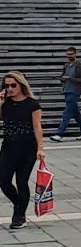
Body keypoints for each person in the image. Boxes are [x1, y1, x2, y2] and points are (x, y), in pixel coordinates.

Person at [2, 71, 46, 230]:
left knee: (21, 181)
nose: (10, 88)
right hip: (8, 147)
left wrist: (40, 148)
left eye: (13, 85)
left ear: (21, 85)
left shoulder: (32, 104)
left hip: (28, 148)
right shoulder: (5, 103)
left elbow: (37, 127)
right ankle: (19, 205)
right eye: (6, 86)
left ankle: (19, 215)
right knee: (3, 181)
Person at [49, 46, 81, 142]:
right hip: (67, 90)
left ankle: (60, 133)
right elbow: (62, 76)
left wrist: (70, 78)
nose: (69, 56)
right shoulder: (66, 65)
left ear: (75, 54)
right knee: (75, 113)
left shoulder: (79, 65)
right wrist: (62, 79)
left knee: (67, 113)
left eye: (71, 54)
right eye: (68, 54)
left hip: (74, 91)